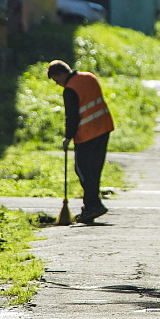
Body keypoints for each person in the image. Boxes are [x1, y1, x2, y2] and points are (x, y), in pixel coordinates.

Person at [47, 60, 115, 223]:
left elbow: (72, 116)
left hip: (87, 134)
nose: (59, 85)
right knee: (95, 170)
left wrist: (68, 137)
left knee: (83, 170)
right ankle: (90, 207)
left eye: (57, 81)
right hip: (104, 128)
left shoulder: (70, 89)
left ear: (61, 74)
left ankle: (93, 205)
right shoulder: (90, 77)